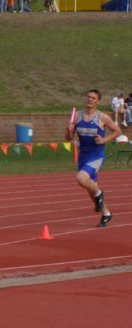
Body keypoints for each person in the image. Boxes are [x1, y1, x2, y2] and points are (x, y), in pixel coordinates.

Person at [65, 89, 121, 227]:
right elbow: (68, 138)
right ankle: (106, 214)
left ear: (98, 101)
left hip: (96, 156)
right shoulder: (77, 116)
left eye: (93, 98)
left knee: (81, 179)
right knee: (91, 191)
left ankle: (99, 193)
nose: (90, 99)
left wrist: (104, 140)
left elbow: (118, 131)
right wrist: (68, 130)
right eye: (88, 97)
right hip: (83, 156)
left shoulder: (102, 117)